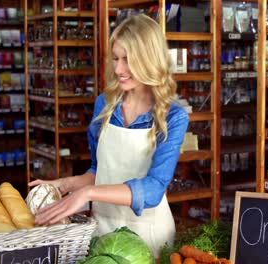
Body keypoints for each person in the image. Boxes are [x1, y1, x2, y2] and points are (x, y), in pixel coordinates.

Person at [29, 14, 189, 257]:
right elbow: (99, 171)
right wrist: (63, 185)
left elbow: (155, 189)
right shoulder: (104, 104)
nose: (118, 69)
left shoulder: (172, 117)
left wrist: (88, 194)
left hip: (149, 237)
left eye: (127, 60)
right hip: (102, 231)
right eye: (115, 58)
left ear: (148, 59)